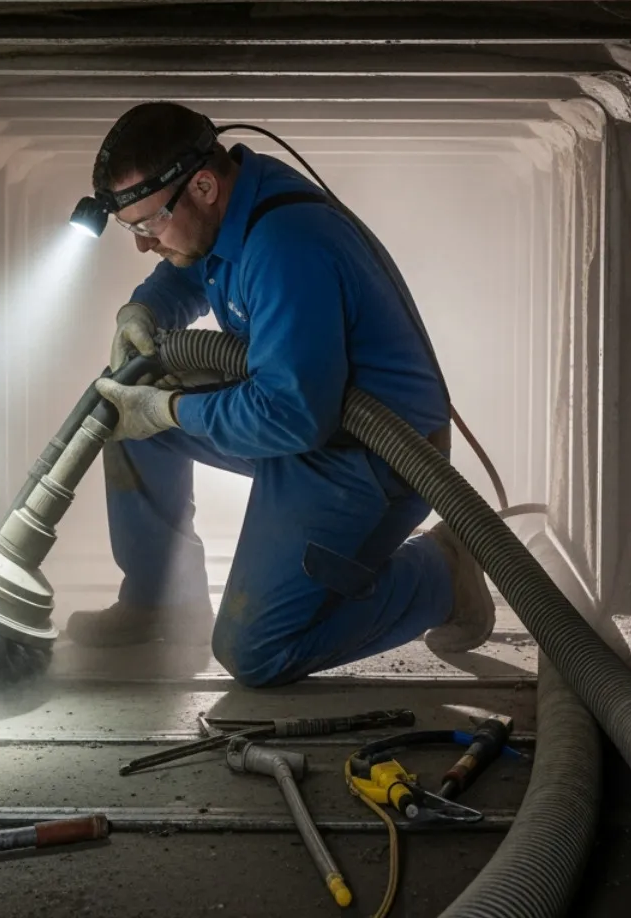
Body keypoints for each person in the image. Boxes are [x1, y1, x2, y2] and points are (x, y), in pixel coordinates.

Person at [71, 101, 495, 688]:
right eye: (132, 229)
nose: (144, 244)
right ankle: (162, 600)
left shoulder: (287, 245)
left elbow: (292, 418)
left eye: (148, 225)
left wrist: (168, 410)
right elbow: (189, 268)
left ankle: (439, 578)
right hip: (308, 418)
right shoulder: (229, 208)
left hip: (372, 459)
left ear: (203, 184)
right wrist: (146, 307)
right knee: (129, 401)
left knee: (255, 652)